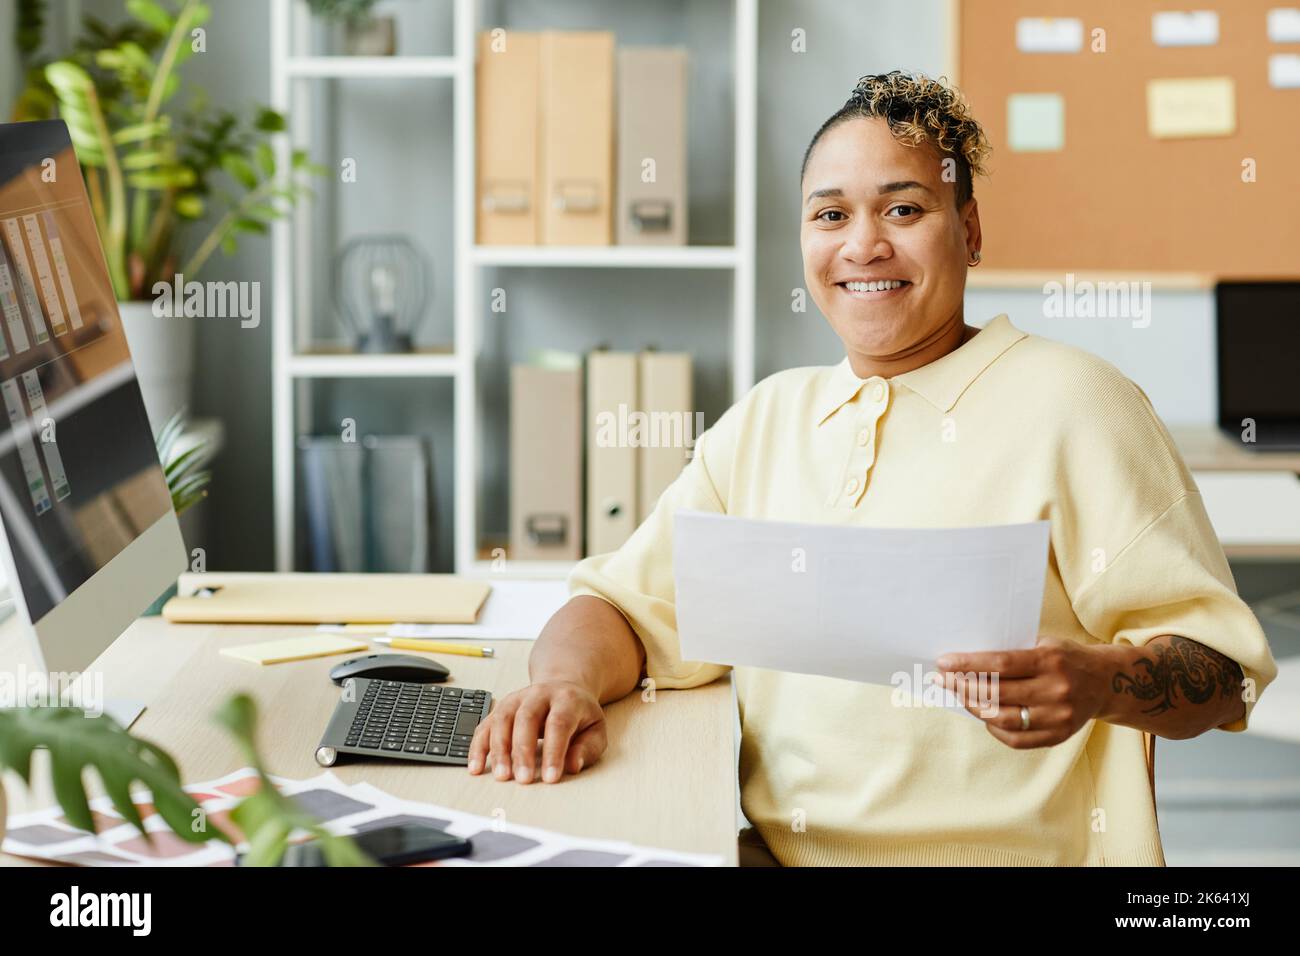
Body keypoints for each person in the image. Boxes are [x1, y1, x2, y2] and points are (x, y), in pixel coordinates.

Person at [467, 71, 1277, 866]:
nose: (863, 244)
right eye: (831, 214)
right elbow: (620, 604)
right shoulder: (768, 419)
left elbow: (1223, 674)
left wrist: (1101, 680)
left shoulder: (1080, 402)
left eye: (904, 208)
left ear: (971, 229)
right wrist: (565, 684)